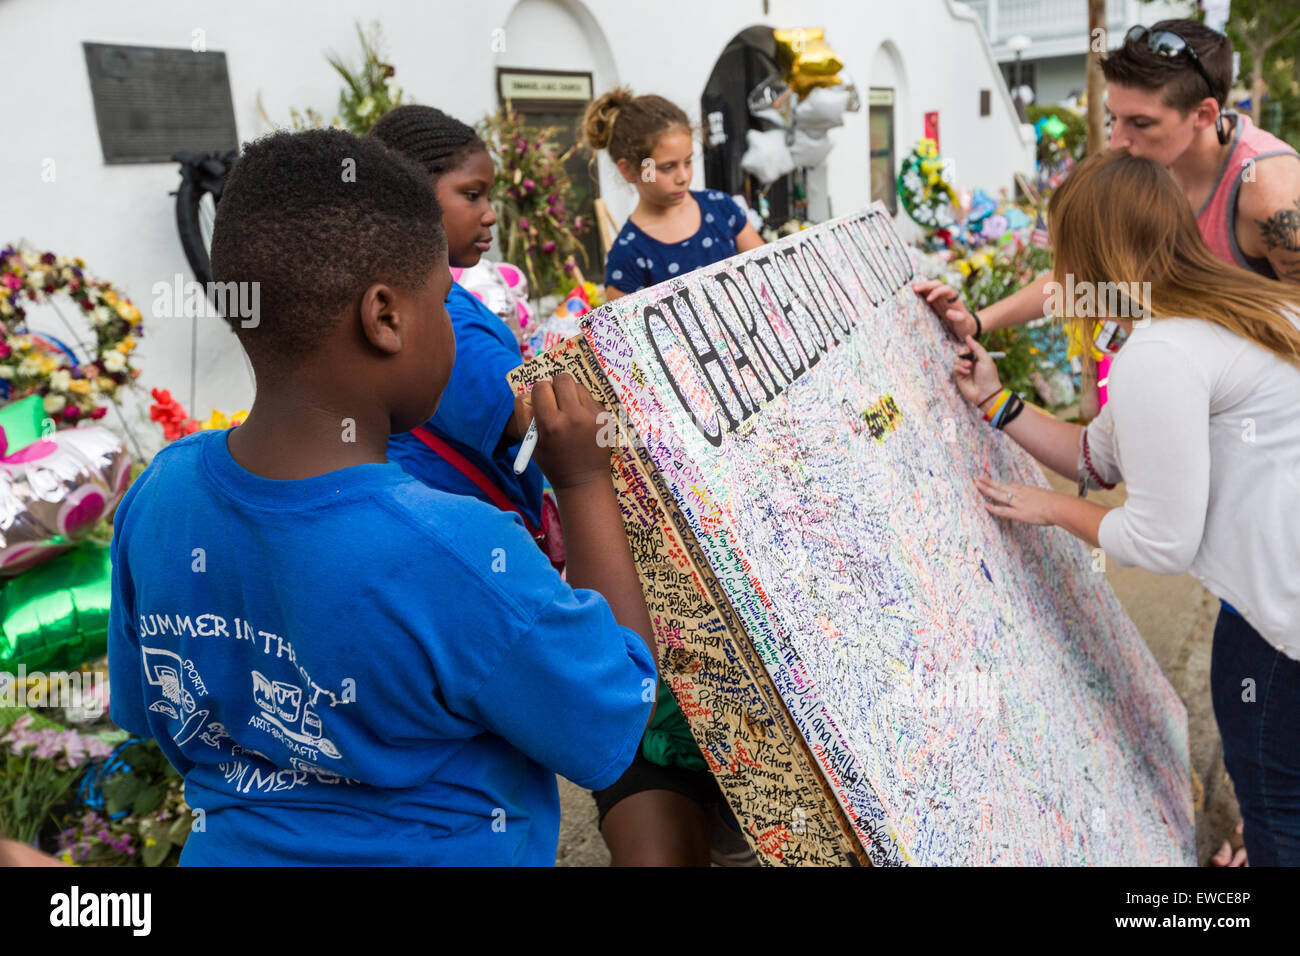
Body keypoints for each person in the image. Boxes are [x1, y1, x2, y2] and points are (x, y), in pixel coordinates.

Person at [106, 129, 658, 865]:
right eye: (443, 303)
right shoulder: (459, 552)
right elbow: (614, 711)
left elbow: (157, 713)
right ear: (386, 317)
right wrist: (585, 483)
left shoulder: (160, 496)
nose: (454, 331)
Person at [952, 149, 1300, 867]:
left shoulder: (1163, 351)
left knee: (1277, 821)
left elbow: (1161, 541)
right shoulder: (1243, 304)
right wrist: (996, 402)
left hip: (1278, 636)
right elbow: (1100, 458)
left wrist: (1046, 509)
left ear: (1092, 257)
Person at [580, 86, 762, 865]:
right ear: (630, 169)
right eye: (666, 167)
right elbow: (624, 352)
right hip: (688, 436)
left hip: (752, 407)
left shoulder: (724, 212)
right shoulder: (630, 250)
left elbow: (770, 284)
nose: (683, 176)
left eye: (689, 161)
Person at [916, 19, 1300, 342]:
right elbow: (1085, 281)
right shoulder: (1152, 159)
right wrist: (979, 322)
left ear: (1203, 114)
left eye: (1141, 123)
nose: (1117, 142)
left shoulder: (1271, 194)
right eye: (1112, 118)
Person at [368, 106, 550, 547]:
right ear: (410, 197)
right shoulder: (442, 316)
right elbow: (533, 415)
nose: (489, 214)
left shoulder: (427, 294)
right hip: (478, 538)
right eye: (472, 195)